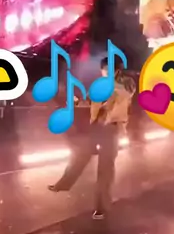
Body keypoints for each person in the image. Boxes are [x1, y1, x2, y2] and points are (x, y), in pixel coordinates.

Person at [48, 57, 137, 220]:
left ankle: (101, 207)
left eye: (108, 70)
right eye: (103, 69)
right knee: (80, 156)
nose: (104, 72)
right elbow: (89, 101)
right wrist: (76, 102)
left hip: (112, 128)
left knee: (105, 168)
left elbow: (125, 93)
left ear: (117, 70)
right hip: (96, 127)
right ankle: (63, 184)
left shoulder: (127, 83)